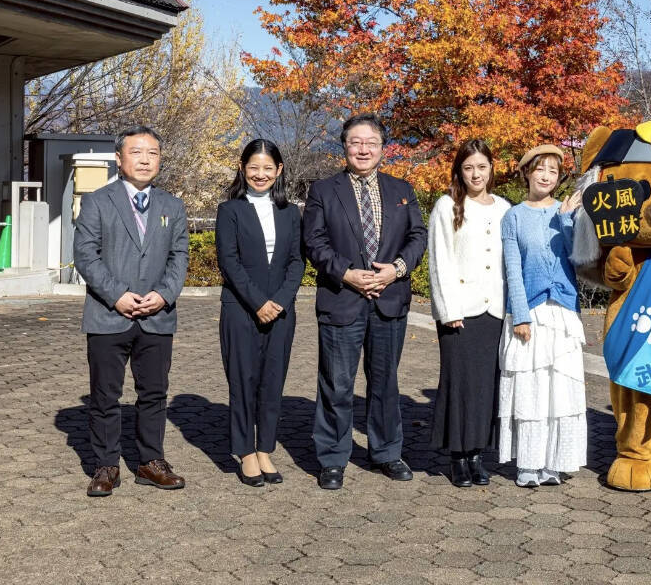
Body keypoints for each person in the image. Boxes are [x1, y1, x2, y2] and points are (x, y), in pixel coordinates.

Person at [302, 113, 427, 490]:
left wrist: (397, 270)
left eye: (370, 142)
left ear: (382, 148)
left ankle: (387, 452)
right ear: (344, 146)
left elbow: (418, 236)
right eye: (355, 142)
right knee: (337, 383)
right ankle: (332, 458)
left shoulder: (401, 189)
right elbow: (314, 242)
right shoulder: (324, 190)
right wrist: (347, 274)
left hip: (390, 298)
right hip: (342, 298)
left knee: (385, 382)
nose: (363, 149)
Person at [73, 125, 189, 497]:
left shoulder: (172, 205)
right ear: (119, 158)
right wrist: (118, 295)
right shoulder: (97, 201)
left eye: (152, 153)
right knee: (105, 395)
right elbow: (85, 255)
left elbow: (179, 256)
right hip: (109, 314)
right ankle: (106, 465)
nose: (144, 159)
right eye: (136, 152)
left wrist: (164, 294)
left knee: (154, 393)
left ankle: (149, 462)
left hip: (157, 316)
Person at [215, 139, 305, 487]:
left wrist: (279, 301)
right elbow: (229, 262)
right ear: (242, 168)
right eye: (254, 167)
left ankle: (265, 447)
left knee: (272, 382)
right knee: (242, 381)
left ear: (279, 170)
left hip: (281, 311)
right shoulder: (230, 210)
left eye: (268, 168)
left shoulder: (290, 212)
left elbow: (297, 261)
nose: (260, 174)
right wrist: (257, 303)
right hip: (240, 309)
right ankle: (245, 451)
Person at [498, 145, 586, 487]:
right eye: (540, 169)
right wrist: (520, 314)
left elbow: (578, 257)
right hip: (530, 311)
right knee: (530, 389)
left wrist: (566, 218)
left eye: (553, 170)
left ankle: (552, 462)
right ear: (527, 173)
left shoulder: (569, 212)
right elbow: (513, 268)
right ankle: (528, 465)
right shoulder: (513, 216)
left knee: (558, 389)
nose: (546, 175)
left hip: (562, 311)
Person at [427, 139, 510, 487]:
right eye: (469, 167)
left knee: (485, 386)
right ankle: (457, 456)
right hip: (461, 310)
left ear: (492, 168)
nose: (476, 174)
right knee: (459, 385)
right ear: (460, 171)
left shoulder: (505, 207)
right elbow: (440, 260)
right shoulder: (447, 206)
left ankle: (478, 453)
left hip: (494, 309)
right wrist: (448, 309)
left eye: (482, 166)